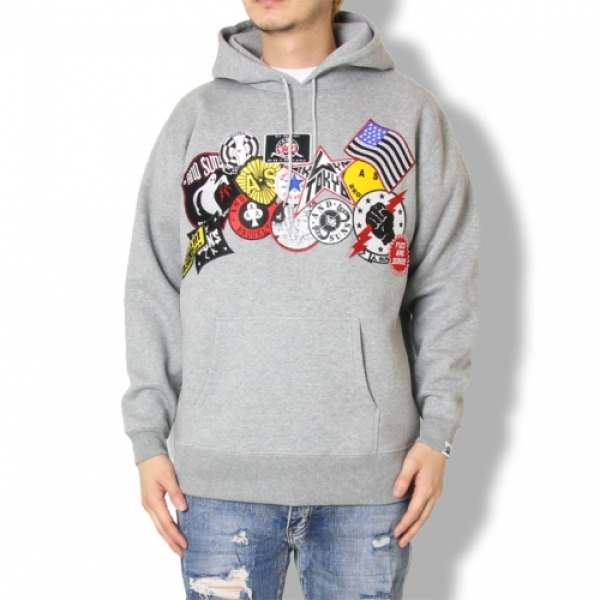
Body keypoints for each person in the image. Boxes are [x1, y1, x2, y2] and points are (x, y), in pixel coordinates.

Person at [121, 0, 480, 597]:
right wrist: (146, 439)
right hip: (217, 479)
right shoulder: (196, 118)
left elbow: (447, 280)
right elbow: (153, 283)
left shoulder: (409, 113)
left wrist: (437, 431)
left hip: (371, 483)